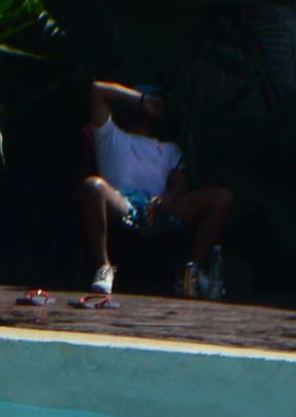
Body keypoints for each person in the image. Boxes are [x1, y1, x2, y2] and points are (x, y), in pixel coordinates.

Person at [75, 80, 235, 302]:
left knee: (221, 198)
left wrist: (168, 197)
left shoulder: (170, 148)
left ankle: (191, 273)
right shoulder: (110, 135)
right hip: (122, 203)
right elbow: (97, 90)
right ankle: (104, 267)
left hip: (160, 207)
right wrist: (140, 99)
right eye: (147, 100)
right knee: (93, 186)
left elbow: (180, 183)